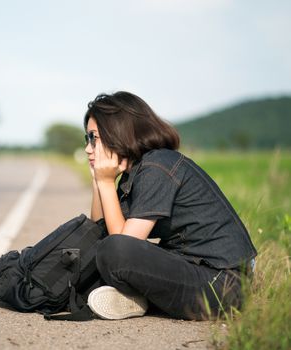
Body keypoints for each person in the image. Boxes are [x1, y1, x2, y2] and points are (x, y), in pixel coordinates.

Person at [83, 91, 257, 321]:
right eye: (87, 139)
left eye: (93, 138)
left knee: (112, 252)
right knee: (97, 252)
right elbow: (101, 229)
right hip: (193, 268)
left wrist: (106, 183)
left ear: (118, 131)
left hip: (224, 284)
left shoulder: (157, 167)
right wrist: (99, 181)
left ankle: (138, 298)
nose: (88, 148)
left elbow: (122, 248)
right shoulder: (136, 172)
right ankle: (137, 298)